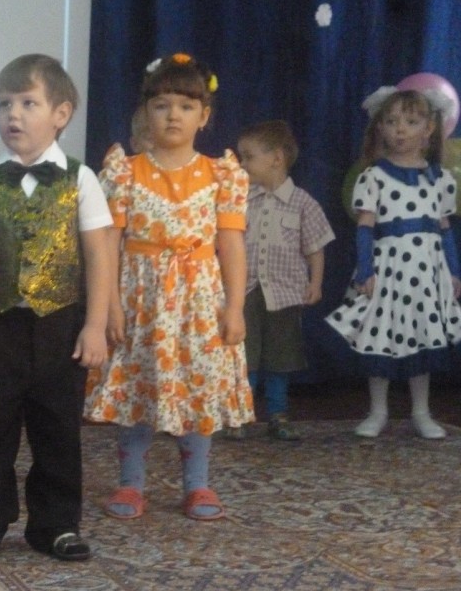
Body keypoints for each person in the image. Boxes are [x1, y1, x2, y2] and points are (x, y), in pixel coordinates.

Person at [0, 53, 112, 563]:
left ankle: (56, 524)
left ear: (61, 113)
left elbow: (99, 256)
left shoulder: (81, 179)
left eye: (27, 103)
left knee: (57, 428)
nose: (12, 114)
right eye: (4, 104)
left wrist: (95, 325)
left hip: (60, 325)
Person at [84, 53, 253, 522]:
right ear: (146, 113)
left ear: (204, 116)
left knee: (197, 389)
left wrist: (235, 308)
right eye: (161, 106)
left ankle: (197, 483)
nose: (173, 115)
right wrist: (110, 307)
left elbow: (231, 245)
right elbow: (108, 245)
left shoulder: (222, 175)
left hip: (199, 306)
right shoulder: (124, 172)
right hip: (141, 304)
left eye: (185, 106)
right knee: (138, 391)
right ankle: (131, 482)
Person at [326, 85, 461, 439]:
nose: (400, 129)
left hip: (426, 273)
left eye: (411, 122)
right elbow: (365, 227)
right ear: (380, 128)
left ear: (429, 129)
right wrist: (366, 270)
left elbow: (445, 229)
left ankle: (421, 412)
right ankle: (378, 411)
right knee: (381, 336)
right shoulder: (374, 177)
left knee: (422, 336)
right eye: (391, 121)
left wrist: (453, 271)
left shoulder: (440, 179)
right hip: (388, 270)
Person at [235, 120, 334, 440]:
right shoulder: (241, 199)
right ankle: (242, 415)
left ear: (276, 158)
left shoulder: (303, 203)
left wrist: (315, 283)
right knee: (245, 355)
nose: (242, 164)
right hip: (246, 291)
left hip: (285, 294)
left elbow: (315, 248)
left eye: (249, 157)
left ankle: (278, 414)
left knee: (280, 356)